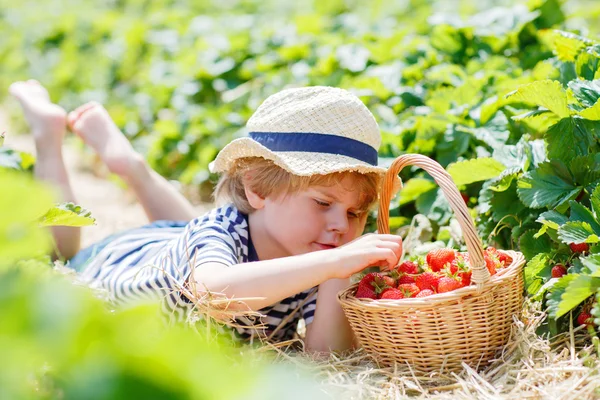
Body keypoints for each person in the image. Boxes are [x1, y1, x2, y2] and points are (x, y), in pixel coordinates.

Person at [9, 81, 403, 353]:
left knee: (188, 230)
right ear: (258, 189)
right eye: (323, 203)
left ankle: (131, 167)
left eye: (355, 213)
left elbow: (327, 354)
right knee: (57, 247)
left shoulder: (314, 255)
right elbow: (215, 292)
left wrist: (340, 271)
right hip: (117, 263)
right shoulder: (229, 236)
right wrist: (333, 260)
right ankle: (50, 135)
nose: (341, 224)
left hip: (179, 241)